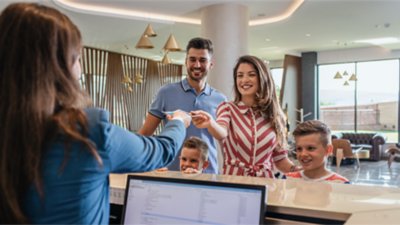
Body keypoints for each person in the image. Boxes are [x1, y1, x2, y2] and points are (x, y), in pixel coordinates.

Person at [0, 3, 191, 224]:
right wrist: (178, 121)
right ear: (61, 66)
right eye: (77, 58)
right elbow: (161, 151)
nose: (80, 69)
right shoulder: (87, 133)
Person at [191, 55, 300, 177]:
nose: (244, 80)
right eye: (240, 75)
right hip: (235, 184)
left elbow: (280, 160)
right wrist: (211, 123)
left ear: (262, 78)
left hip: (267, 185)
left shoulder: (274, 115)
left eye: (251, 75)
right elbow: (222, 132)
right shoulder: (227, 108)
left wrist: (303, 170)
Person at [138, 37, 227, 174]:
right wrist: (145, 163)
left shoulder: (220, 99)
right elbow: (145, 134)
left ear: (211, 64)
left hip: (208, 174)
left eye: (202, 60)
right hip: (171, 172)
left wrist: (228, 171)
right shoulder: (166, 93)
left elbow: (224, 141)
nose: (197, 65)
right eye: (192, 59)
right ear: (186, 62)